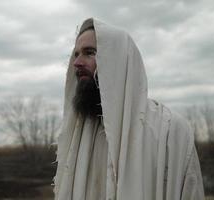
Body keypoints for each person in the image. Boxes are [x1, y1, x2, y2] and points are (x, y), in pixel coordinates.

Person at [54, 18, 205, 200]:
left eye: (89, 53)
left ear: (117, 60)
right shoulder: (79, 137)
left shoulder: (171, 132)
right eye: (76, 54)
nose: (76, 63)